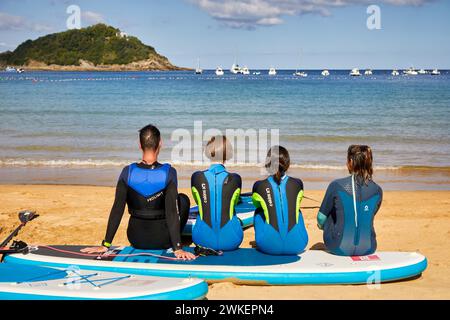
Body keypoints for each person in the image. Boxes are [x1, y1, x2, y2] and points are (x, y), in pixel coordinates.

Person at [82, 124, 195, 260]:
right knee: (182, 199)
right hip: (162, 240)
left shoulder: (127, 172)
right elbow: (171, 212)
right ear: (160, 144)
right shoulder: (169, 173)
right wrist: (177, 247)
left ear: (139, 145)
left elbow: (117, 209)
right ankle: (176, 241)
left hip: (136, 238)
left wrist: (106, 244)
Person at [317, 145, 383, 256]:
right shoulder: (377, 190)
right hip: (369, 247)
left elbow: (320, 219)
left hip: (338, 247)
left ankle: (340, 237)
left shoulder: (336, 185)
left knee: (328, 214)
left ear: (351, 162)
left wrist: (324, 225)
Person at [251, 146, 308, 255]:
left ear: (267, 164)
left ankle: (270, 236)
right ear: (288, 165)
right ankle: (293, 235)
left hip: (268, 246)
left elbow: (256, 204)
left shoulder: (259, 186)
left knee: (259, 211)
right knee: (297, 211)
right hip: (299, 244)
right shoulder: (298, 184)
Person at [190, 135, 243, 251]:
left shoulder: (196, 177)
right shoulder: (236, 179)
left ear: (208, 152)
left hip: (201, 239)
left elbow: (200, 202)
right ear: (228, 154)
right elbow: (233, 202)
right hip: (232, 240)